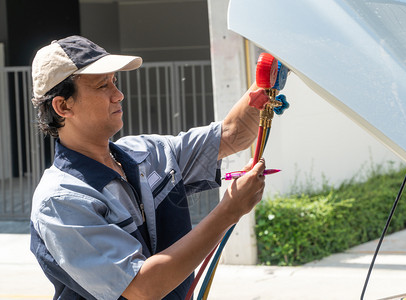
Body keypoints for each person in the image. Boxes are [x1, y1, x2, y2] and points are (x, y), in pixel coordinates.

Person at [29, 35, 269, 300]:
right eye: (102, 86)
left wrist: (266, 80)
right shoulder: (61, 201)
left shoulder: (148, 152)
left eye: (115, 82)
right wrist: (229, 211)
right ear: (63, 106)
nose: (118, 94)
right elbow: (143, 288)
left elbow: (232, 135)